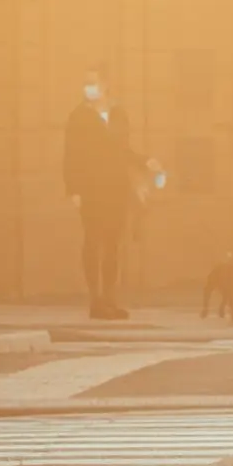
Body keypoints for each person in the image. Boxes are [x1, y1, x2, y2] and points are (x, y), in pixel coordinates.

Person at [64, 66, 157, 320]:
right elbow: (71, 155)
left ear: (105, 85)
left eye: (93, 82)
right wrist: (74, 189)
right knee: (94, 242)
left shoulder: (118, 115)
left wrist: (143, 161)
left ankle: (110, 300)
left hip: (116, 188)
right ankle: (96, 301)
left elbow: (122, 150)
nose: (88, 87)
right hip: (91, 189)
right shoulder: (78, 117)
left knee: (113, 245)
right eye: (85, 82)